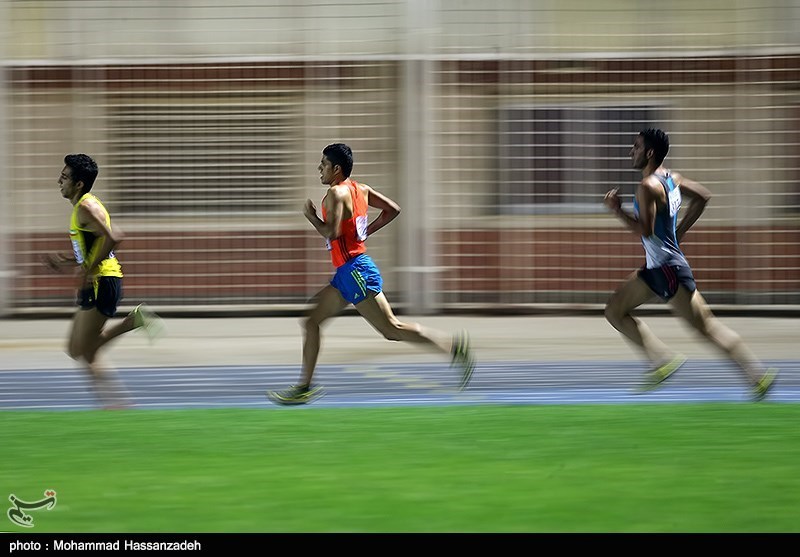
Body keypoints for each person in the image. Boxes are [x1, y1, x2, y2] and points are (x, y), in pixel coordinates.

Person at [267, 143, 475, 405]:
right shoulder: (360, 190)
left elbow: (331, 232)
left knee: (392, 329)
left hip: (356, 271)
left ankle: (453, 348)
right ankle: (304, 387)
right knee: (311, 322)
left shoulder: (336, 193)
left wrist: (310, 216)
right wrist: (365, 233)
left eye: (323, 164)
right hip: (347, 272)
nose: (319, 169)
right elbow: (393, 210)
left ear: (336, 169)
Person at [603, 129, 777, 400]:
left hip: (668, 270)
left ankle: (758, 376)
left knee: (707, 327)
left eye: (635, 147)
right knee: (615, 310)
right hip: (657, 268)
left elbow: (645, 230)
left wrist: (617, 211)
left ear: (649, 153)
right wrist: (679, 232)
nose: (631, 152)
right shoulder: (672, 179)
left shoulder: (648, 186)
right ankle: (661, 360)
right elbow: (703, 197)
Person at [44, 154, 164, 408]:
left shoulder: (86, 207)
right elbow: (95, 246)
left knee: (83, 350)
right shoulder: (85, 206)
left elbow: (114, 237)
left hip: (102, 282)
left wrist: (89, 270)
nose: (59, 181)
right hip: (98, 280)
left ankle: (133, 322)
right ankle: (115, 405)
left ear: (78, 184)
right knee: (78, 349)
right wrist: (66, 261)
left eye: (64, 177)